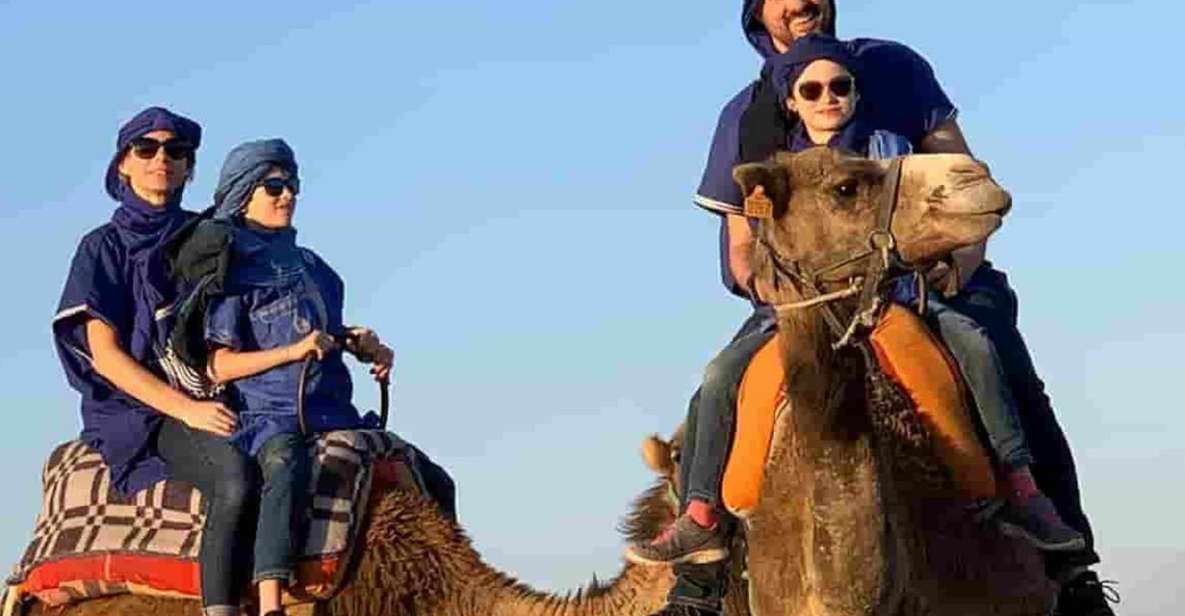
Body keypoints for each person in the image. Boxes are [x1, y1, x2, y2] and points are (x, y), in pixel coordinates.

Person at [633, 3, 1115, 615]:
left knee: (1003, 369)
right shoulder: (745, 118)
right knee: (716, 386)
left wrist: (958, 265)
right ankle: (699, 573)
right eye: (814, 89)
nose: (829, 96)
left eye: (839, 86)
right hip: (806, 300)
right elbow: (740, 250)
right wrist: (789, 295)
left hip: (922, 285)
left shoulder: (895, 69)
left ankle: (1068, 567)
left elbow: (967, 176)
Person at [52, 107, 257, 616]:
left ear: (189, 168)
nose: (160, 159)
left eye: (175, 151)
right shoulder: (102, 248)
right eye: (146, 149)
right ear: (123, 164)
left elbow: (260, 314)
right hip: (144, 409)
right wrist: (185, 409)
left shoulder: (212, 238)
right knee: (234, 479)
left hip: (220, 388)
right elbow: (106, 355)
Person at [192, 139, 394, 616]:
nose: (288, 196)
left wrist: (367, 347)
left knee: (426, 475)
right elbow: (219, 365)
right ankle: (270, 602)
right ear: (244, 193)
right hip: (268, 416)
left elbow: (325, 333)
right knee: (283, 465)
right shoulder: (232, 271)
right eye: (275, 186)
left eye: (292, 185)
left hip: (331, 410)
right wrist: (294, 351)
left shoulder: (317, 270)